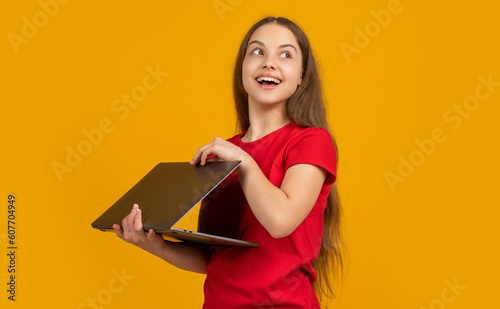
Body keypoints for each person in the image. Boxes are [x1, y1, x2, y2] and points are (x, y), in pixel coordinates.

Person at [113, 16, 346, 308]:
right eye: (258, 51)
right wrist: (154, 245)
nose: (269, 63)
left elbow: (280, 221)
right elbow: (213, 256)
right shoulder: (225, 152)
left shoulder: (311, 141)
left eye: (285, 54)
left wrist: (244, 162)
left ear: (301, 75)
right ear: (242, 70)